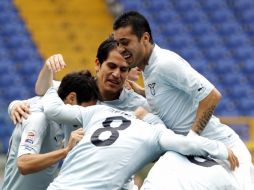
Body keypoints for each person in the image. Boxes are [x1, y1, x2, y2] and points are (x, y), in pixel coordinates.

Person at [112, 11, 254, 189]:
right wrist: (139, 91)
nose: (120, 49)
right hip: (197, 154)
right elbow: (166, 100)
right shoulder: (148, 69)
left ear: (145, 38)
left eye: (125, 42)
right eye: (117, 43)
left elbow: (211, 96)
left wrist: (192, 139)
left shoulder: (165, 63)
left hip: (224, 150)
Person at [42, 71, 239, 190]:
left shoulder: (98, 111)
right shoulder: (156, 134)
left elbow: (53, 108)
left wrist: (49, 87)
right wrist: (220, 149)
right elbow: (187, 143)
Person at [2, 83, 85, 190]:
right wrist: (66, 151)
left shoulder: (64, 120)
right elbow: (24, 163)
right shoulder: (38, 119)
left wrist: (13, 105)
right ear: (71, 98)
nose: (83, 114)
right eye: (83, 109)